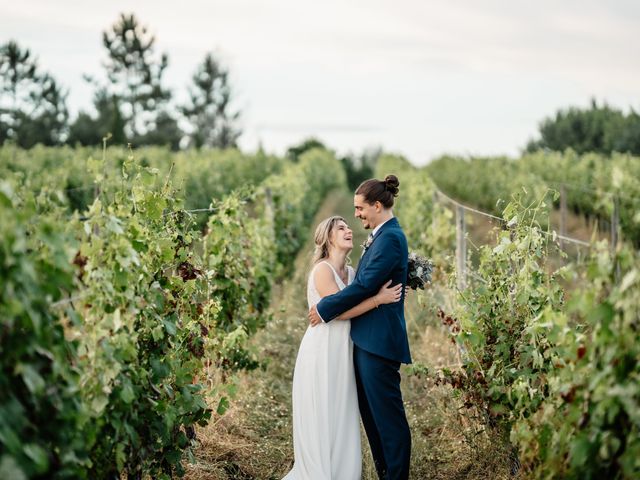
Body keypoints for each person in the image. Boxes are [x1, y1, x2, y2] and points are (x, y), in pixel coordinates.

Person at [308, 175, 412, 480]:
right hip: (367, 340)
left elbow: (366, 284)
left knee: (388, 422)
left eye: (359, 208)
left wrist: (324, 308)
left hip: (378, 343)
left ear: (377, 205)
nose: (356, 215)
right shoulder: (383, 235)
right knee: (373, 419)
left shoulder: (390, 237)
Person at [284, 215, 403, 480]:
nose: (349, 230)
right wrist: (378, 300)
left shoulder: (350, 273)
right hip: (322, 351)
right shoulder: (322, 270)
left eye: (348, 226)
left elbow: (357, 292)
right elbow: (339, 311)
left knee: (343, 410)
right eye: (341, 228)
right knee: (324, 409)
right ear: (328, 238)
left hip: (344, 351)